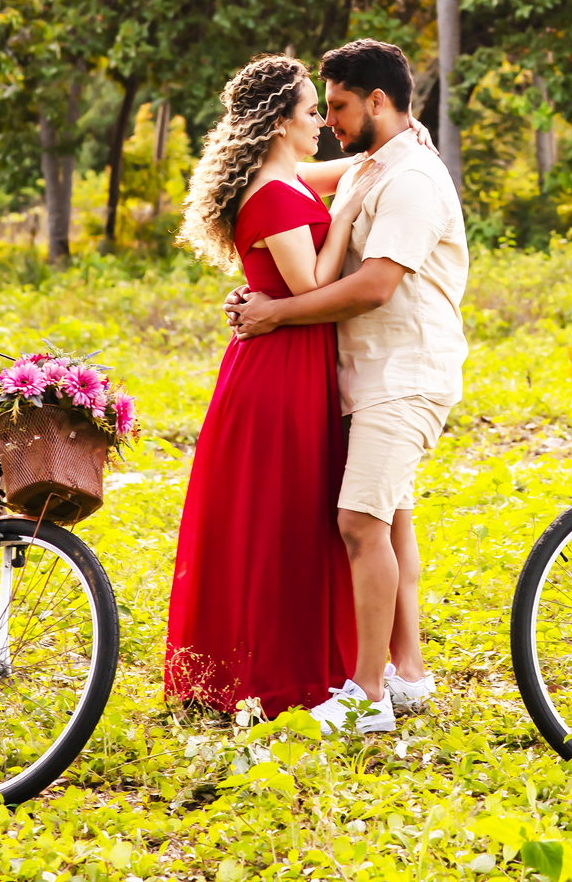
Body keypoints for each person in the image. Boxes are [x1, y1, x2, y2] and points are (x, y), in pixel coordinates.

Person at [228, 39, 469, 737]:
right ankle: (409, 673)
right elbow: (294, 173)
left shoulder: (411, 180)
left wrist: (275, 312)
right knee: (390, 516)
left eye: (337, 105)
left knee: (359, 522)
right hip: (369, 376)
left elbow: (373, 286)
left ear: (377, 102)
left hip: (404, 375)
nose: (329, 118)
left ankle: (367, 696)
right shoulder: (375, 162)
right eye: (322, 106)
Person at [164, 53, 374, 716]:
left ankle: (258, 661)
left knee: (285, 515)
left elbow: (350, 168)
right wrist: (342, 217)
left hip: (287, 361)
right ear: (282, 120)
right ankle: (268, 672)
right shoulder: (277, 192)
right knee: (277, 518)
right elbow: (313, 283)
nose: (322, 122)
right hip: (279, 373)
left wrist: (398, 145)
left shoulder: (283, 176)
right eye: (313, 111)